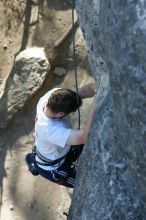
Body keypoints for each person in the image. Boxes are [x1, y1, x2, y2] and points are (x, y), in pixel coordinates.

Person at [25, 83, 96, 188]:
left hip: (53, 147)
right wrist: (96, 103)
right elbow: (83, 137)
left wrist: (98, 88)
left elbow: (80, 93)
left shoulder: (51, 96)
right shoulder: (51, 130)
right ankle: (35, 165)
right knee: (83, 183)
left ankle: (34, 162)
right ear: (60, 114)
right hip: (54, 167)